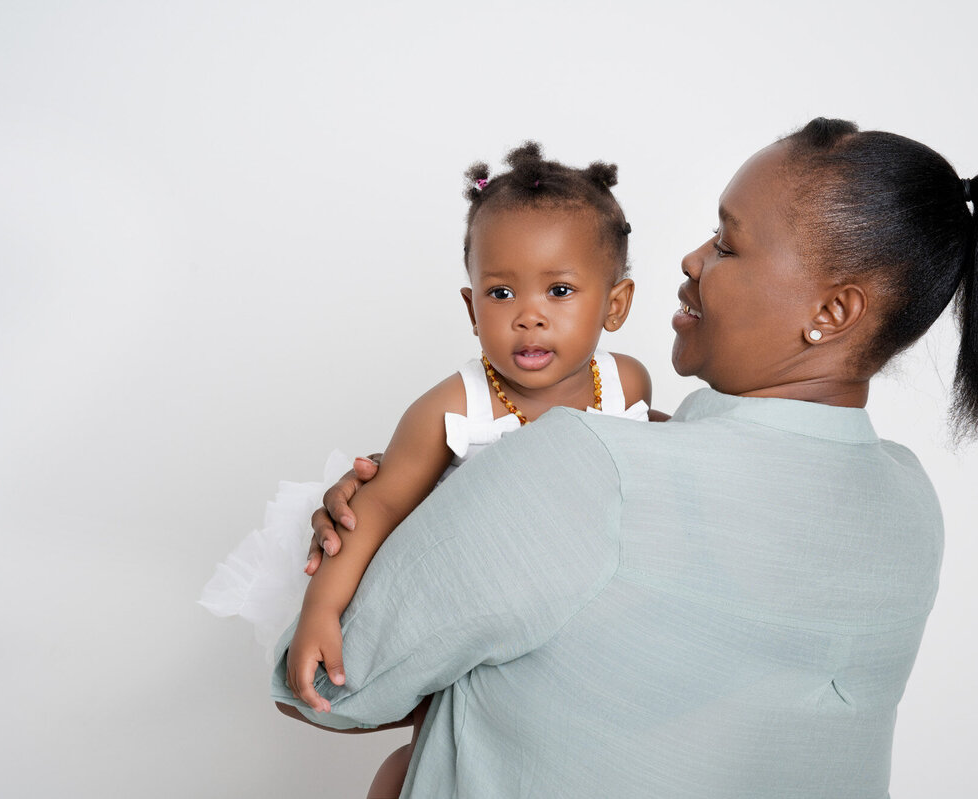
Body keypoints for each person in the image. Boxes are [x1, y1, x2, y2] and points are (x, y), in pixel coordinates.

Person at [274, 117, 978, 798]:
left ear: (832, 311)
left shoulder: (586, 466)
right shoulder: (911, 505)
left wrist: (399, 517)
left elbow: (335, 689)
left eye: (727, 243)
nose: (691, 258)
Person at [210, 142, 656, 797]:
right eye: (501, 292)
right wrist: (321, 609)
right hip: (471, 605)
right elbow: (379, 506)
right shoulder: (453, 405)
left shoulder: (626, 383)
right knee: (440, 742)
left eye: (559, 290)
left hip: (582, 608)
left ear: (615, 305)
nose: (529, 314)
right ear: (473, 309)